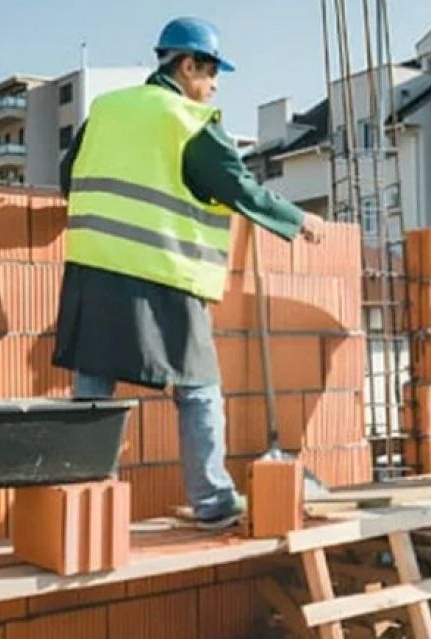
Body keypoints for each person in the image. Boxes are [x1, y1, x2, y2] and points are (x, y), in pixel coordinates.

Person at [53, 17, 324, 530]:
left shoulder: (105, 110)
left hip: (94, 268)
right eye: (212, 71)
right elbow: (237, 186)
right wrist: (299, 220)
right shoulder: (189, 120)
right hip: (163, 271)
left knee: (93, 385)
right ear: (186, 65)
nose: (215, 84)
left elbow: (70, 179)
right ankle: (213, 501)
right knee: (199, 388)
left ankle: (84, 504)